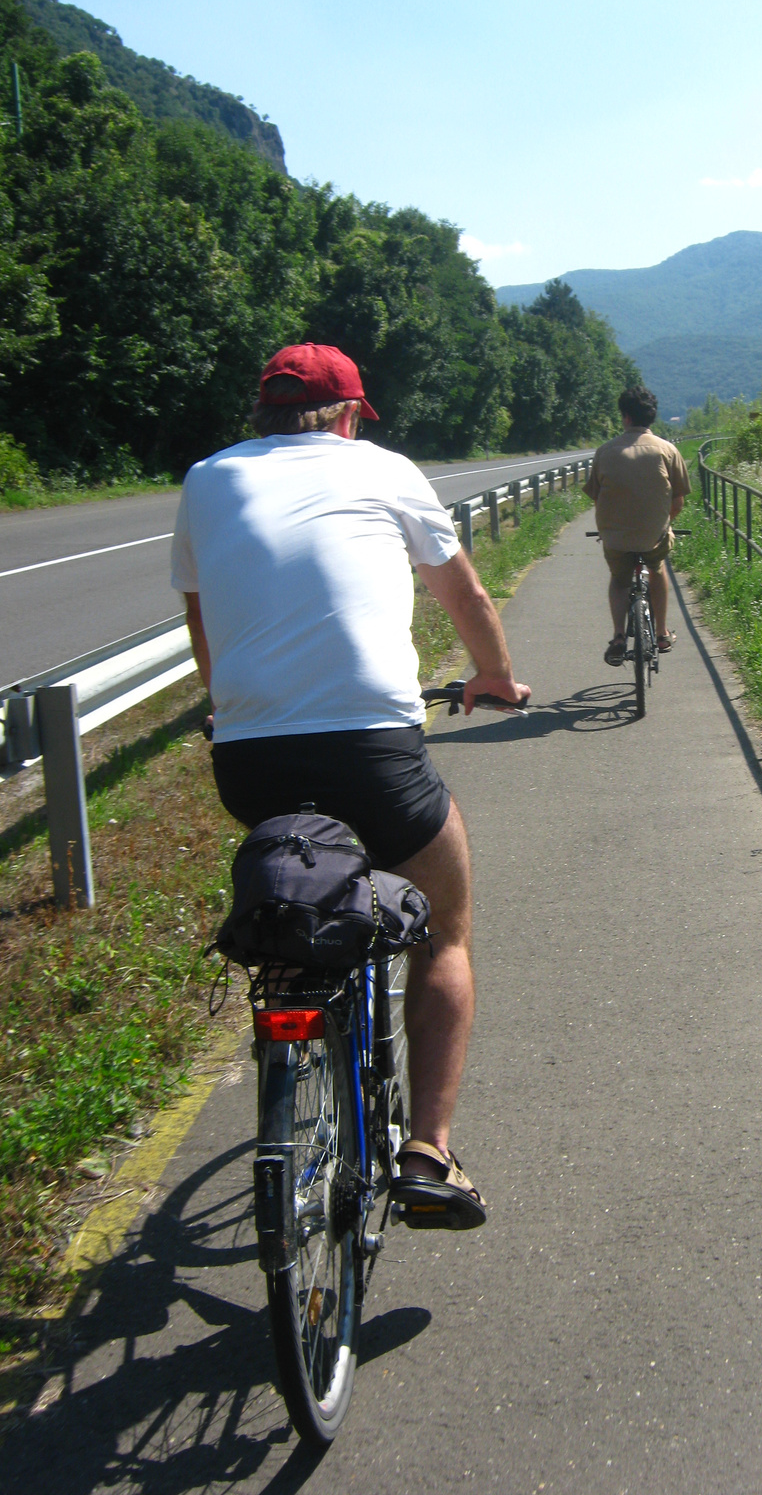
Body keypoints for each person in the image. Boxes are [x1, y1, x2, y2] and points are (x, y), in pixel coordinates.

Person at [171, 342, 528, 1230]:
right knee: (444, 931)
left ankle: (297, 1022)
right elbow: (465, 593)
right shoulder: (383, 469)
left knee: (300, 881)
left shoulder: (207, 479)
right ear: (348, 414)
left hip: (248, 758)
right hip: (372, 751)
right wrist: (495, 676)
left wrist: (227, 707)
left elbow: (203, 613)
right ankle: (430, 1151)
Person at [584, 384, 691, 666]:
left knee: (619, 580)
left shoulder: (605, 452)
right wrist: (663, 523)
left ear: (626, 417)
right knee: (657, 569)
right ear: (652, 417)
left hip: (615, 538)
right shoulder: (668, 451)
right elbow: (677, 502)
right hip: (654, 536)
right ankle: (661, 633)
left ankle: (619, 636)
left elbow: (597, 497)